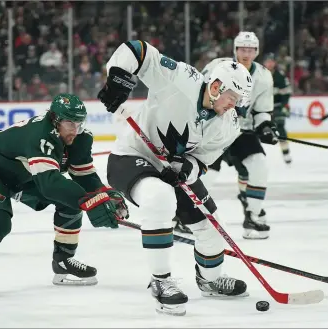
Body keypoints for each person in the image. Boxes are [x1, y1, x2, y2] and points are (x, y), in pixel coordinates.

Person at [98, 40, 253, 316]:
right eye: (233, 98)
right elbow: (137, 50)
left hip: (170, 169)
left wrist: (186, 168)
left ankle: (210, 279)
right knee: (160, 197)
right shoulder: (182, 78)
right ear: (216, 87)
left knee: (213, 224)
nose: (235, 106)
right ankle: (161, 280)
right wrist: (118, 79)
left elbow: (202, 162)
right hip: (131, 157)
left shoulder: (228, 125)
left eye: (239, 102)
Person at [0, 94, 129, 299]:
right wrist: (89, 201)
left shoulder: (81, 138)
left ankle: (63, 262)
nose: (75, 129)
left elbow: (85, 177)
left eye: (79, 122)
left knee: (70, 199)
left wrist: (104, 195)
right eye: (69, 123)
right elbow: (50, 185)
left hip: (25, 175)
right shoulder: (40, 135)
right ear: (54, 119)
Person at [193, 31, 278, 240]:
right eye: (242, 49)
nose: (246, 53)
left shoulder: (265, 76)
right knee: (208, 174)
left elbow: (262, 111)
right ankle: (187, 215)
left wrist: (265, 126)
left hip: (240, 131)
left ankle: (254, 216)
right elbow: (199, 91)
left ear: (256, 52)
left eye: (250, 50)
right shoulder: (217, 66)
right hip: (215, 127)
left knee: (259, 165)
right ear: (235, 50)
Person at [263, 53, 293, 164]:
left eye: (272, 61)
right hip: (261, 109)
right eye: (268, 61)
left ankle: (286, 153)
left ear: (275, 63)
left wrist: (284, 106)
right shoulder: (259, 75)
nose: (270, 63)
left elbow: (286, 93)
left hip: (277, 107)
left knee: (280, 127)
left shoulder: (280, 77)